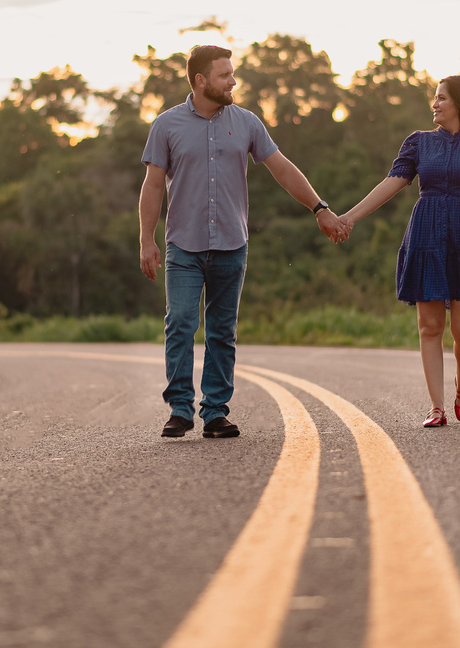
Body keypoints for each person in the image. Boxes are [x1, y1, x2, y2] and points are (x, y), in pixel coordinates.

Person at [139, 45, 350, 438]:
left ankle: (215, 411)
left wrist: (320, 207)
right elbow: (152, 185)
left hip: (232, 244)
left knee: (222, 330)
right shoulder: (166, 125)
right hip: (183, 245)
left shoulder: (248, 122)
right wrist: (145, 240)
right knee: (181, 323)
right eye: (224, 75)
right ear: (201, 80)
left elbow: (282, 169)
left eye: (232, 74)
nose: (233, 81)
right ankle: (180, 409)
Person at [339, 74, 460, 427]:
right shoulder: (418, 143)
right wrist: (349, 217)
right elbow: (392, 182)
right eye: (434, 99)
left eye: (441, 99)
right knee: (429, 326)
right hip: (427, 233)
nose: (434, 104)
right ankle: (437, 406)